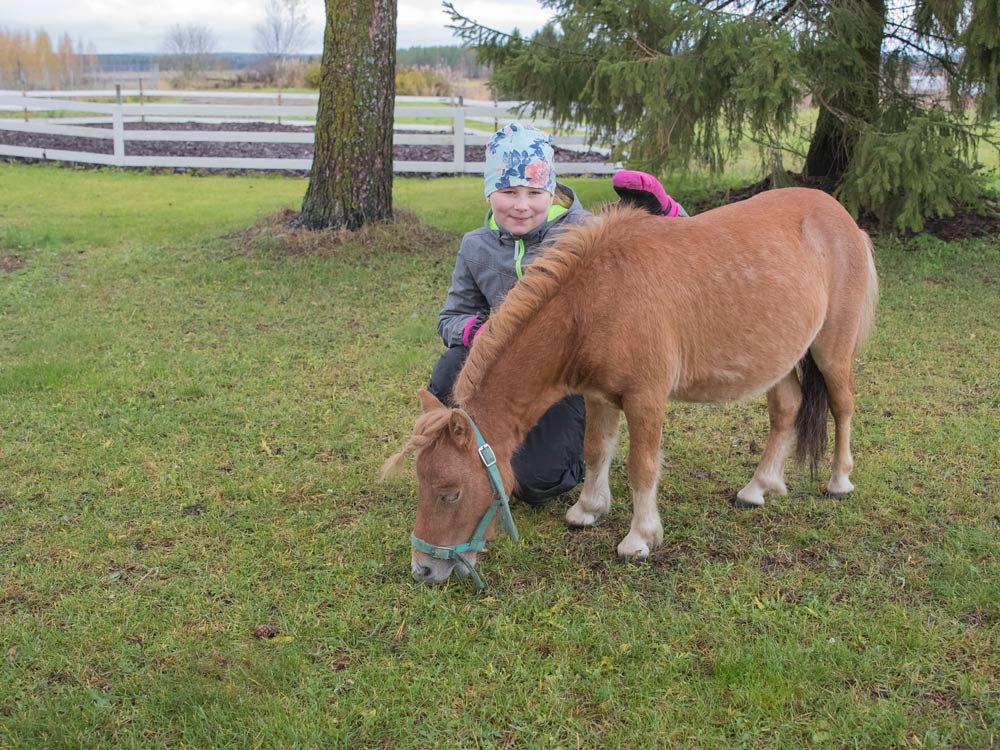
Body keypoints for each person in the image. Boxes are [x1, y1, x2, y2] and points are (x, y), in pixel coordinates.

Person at [428, 121, 686, 506]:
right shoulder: (475, 247)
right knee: (449, 369)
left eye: (534, 192)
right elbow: (451, 317)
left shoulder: (583, 232)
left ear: (550, 191)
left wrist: (667, 212)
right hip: (510, 371)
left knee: (536, 483)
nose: (521, 204)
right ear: (488, 194)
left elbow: (679, 252)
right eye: (507, 191)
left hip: (568, 378)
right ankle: (463, 450)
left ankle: (575, 450)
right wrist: (481, 332)